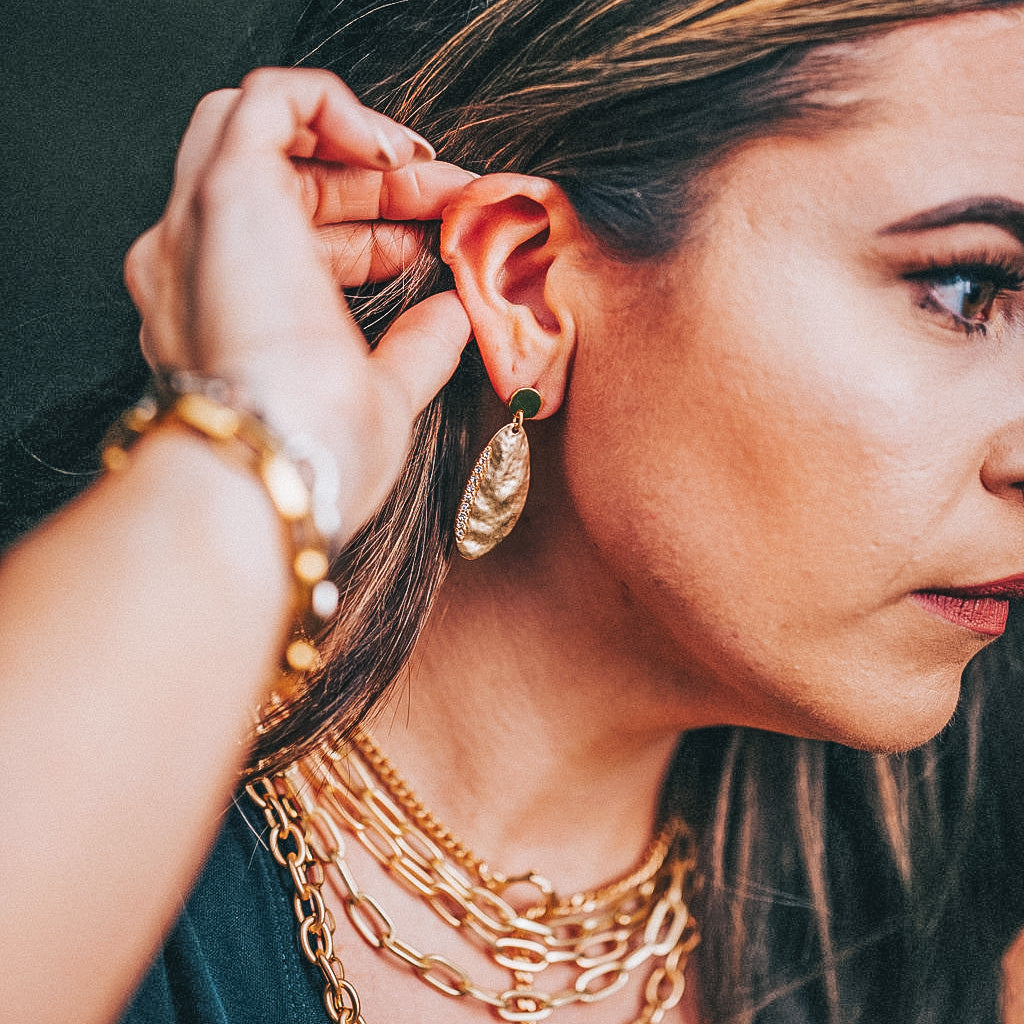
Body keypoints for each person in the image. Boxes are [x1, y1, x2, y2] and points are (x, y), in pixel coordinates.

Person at [2, 0, 1024, 1021]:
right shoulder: (98, 810)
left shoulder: (949, 934)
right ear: (526, 286)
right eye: (965, 289)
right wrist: (267, 441)